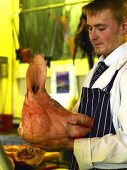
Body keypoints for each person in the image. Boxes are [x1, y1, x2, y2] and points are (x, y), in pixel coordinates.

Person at [33, 0, 127, 169]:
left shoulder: (125, 73)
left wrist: (72, 146)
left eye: (101, 28)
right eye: (90, 28)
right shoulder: (95, 71)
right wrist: (44, 118)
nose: (93, 36)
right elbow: (76, 119)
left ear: (124, 27)